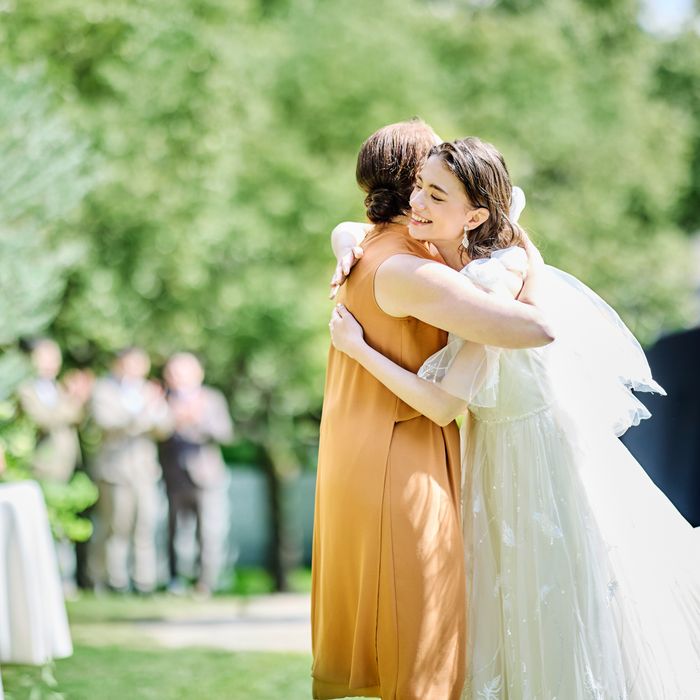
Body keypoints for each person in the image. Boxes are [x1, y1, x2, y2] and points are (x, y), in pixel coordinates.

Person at [329, 137, 700, 698]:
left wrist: (359, 351)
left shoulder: (488, 282)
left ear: (475, 216)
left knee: (547, 591)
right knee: (503, 600)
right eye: (418, 187)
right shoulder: (460, 248)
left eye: (435, 195)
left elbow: (444, 404)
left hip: (533, 451)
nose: (416, 203)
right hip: (493, 445)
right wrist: (344, 238)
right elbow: (363, 226)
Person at [312, 121, 554, 700]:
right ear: (412, 183)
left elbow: (350, 227)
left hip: (363, 445)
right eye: (426, 179)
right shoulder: (410, 268)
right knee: (418, 635)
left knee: (386, 626)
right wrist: (527, 267)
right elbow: (535, 328)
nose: (431, 187)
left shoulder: (376, 246)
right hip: (401, 453)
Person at [89, 347, 173, 594]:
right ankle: (111, 579)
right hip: (115, 471)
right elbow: (107, 422)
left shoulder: (148, 390)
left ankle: (144, 580)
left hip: (145, 471)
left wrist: (150, 414)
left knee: (145, 525)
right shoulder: (104, 389)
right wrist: (143, 415)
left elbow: (165, 426)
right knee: (116, 526)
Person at [159, 352, 234, 596]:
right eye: (172, 372)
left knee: (209, 532)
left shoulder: (211, 399)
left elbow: (225, 433)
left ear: (198, 374)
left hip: (206, 476)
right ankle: (175, 580)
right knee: (173, 531)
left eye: (182, 372)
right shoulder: (160, 397)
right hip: (172, 474)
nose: (177, 377)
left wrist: (196, 420)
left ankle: (206, 582)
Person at [19, 339, 92, 483]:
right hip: (40, 465)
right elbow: (43, 420)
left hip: (66, 464)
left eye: (54, 359)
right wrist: (73, 402)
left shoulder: (59, 388)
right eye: (45, 359)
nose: (51, 364)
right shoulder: (26, 390)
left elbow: (78, 417)